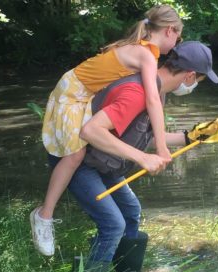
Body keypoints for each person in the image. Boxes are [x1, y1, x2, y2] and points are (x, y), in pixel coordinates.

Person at [48, 41, 218, 272]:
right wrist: (142, 158)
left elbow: (141, 135)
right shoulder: (138, 93)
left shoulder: (156, 92)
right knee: (113, 224)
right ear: (190, 75)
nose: (194, 86)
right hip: (80, 162)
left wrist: (191, 137)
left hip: (102, 161)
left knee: (130, 211)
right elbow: (91, 131)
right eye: (199, 81)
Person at [30, 5, 183, 256]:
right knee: (75, 155)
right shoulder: (147, 54)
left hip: (82, 93)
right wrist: (162, 148)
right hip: (72, 93)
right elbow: (153, 100)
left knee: (80, 152)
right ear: (169, 30)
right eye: (178, 36)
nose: (177, 43)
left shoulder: (141, 48)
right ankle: (43, 215)